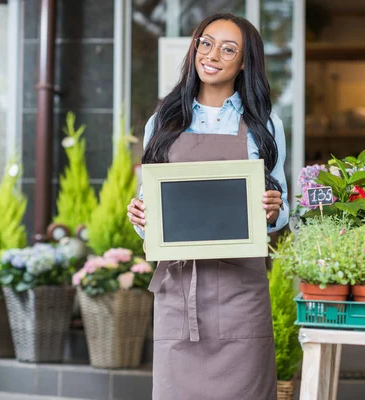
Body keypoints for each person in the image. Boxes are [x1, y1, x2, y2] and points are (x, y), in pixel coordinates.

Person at [126, 13, 288, 400]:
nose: (213, 54)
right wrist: (141, 218)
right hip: (179, 289)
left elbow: (281, 205)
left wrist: (272, 210)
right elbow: (153, 208)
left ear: (245, 62)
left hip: (241, 293)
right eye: (206, 43)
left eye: (228, 48)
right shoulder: (162, 122)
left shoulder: (266, 124)